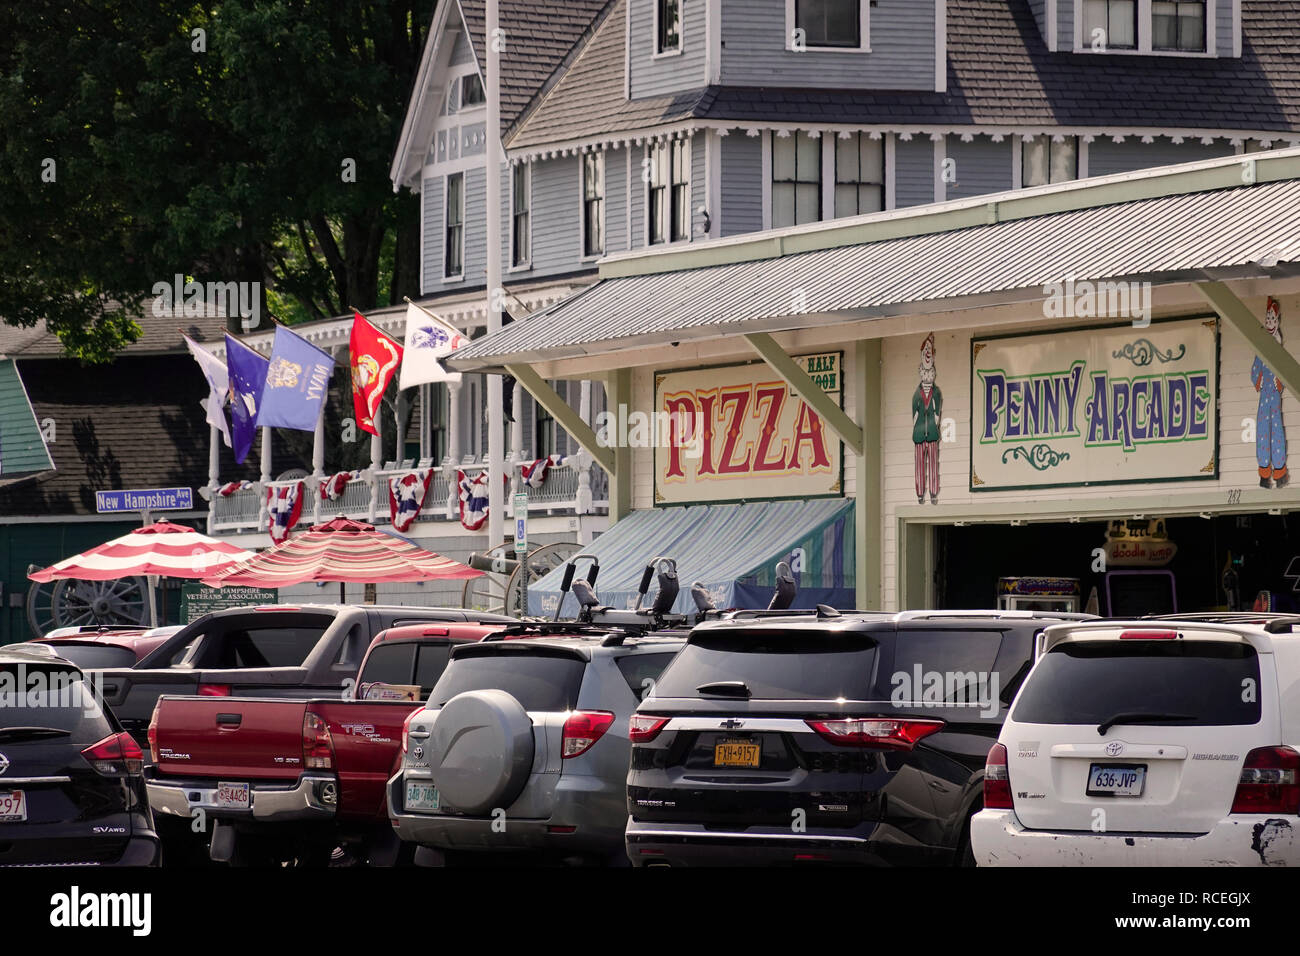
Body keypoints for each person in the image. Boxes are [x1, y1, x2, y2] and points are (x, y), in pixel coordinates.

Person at [1252, 297, 1289, 489]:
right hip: (1264, 396)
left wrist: (1278, 381)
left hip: (1274, 394)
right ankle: (1264, 472)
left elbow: (1284, 370)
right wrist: (1259, 380)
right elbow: (1254, 370)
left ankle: (1280, 470)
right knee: (1262, 431)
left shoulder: (1278, 345)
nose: (1270, 323)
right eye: (1268, 320)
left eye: (1273, 320)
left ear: (1277, 320)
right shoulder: (1261, 350)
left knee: (1276, 430)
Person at [912, 333, 942, 504]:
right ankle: (919, 492)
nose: (927, 375)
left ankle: (933, 492)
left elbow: (937, 412)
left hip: (931, 434)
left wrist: (934, 425)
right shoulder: (916, 394)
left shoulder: (936, 392)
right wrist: (918, 427)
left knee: (932, 464)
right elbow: (914, 413)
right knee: (919, 465)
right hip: (918, 434)